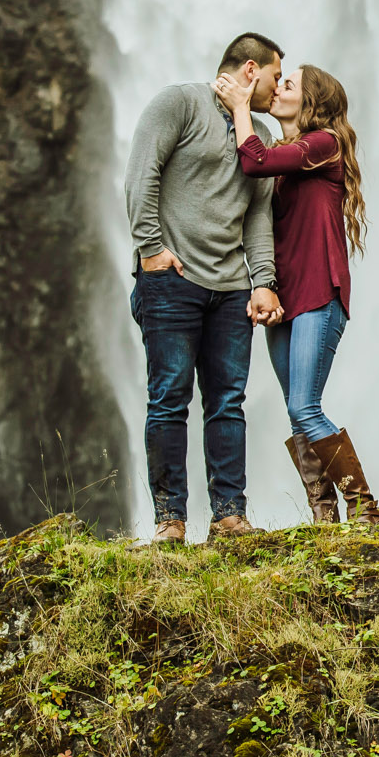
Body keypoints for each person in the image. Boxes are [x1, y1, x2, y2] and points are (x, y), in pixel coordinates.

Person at [124, 32, 287, 543]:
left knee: (227, 402)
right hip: (172, 280)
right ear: (251, 69)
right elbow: (140, 174)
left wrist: (263, 281)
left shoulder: (256, 134)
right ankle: (170, 521)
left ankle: (228, 517)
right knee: (169, 399)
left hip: (231, 288)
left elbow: (258, 216)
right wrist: (151, 248)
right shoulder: (179, 103)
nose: (279, 88)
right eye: (277, 77)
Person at [213, 63, 377, 524]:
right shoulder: (290, 153)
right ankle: (324, 515)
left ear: (312, 101)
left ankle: (364, 508)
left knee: (305, 406)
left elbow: (254, 161)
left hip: (320, 293)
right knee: (295, 411)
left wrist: (241, 106)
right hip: (283, 300)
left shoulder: (323, 143)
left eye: (288, 83)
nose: (278, 87)